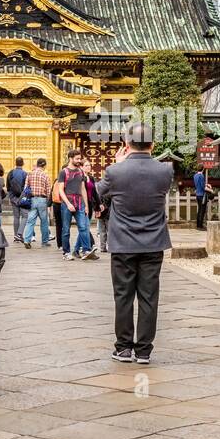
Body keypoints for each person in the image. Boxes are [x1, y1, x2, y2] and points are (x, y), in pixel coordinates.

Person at [99, 123, 172, 364]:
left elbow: (97, 193)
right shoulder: (165, 171)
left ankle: (123, 348)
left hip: (123, 243)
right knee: (149, 297)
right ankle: (143, 351)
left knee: (123, 296)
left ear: (126, 144)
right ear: (153, 144)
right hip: (153, 242)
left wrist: (119, 164)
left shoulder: (114, 171)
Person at [57, 149, 96, 261]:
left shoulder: (80, 171)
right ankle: (66, 252)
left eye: (80, 158)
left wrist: (86, 205)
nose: (79, 161)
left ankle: (86, 250)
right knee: (66, 229)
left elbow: (83, 188)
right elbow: (60, 190)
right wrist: (68, 203)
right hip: (67, 202)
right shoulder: (63, 172)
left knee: (83, 227)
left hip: (80, 203)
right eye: (77, 159)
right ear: (70, 158)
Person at [22, 157, 52, 249]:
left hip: (32, 199)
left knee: (30, 221)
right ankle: (45, 241)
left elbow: (25, 188)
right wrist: (49, 203)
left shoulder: (30, 174)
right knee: (44, 221)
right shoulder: (45, 175)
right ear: (44, 165)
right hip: (42, 200)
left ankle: (27, 240)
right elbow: (48, 190)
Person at [6, 157, 28, 242]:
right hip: (22, 198)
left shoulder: (10, 173)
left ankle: (16, 236)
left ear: (15, 163)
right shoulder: (25, 174)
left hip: (13, 197)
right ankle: (20, 234)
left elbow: (8, 186)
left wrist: (10, 196)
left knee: (16, 217)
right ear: (23, 163)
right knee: (25, 216)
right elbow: (26, 187)